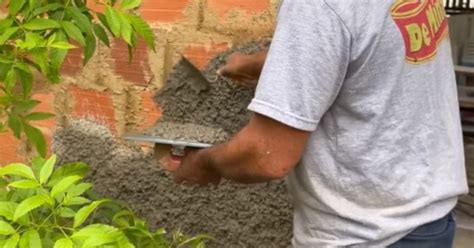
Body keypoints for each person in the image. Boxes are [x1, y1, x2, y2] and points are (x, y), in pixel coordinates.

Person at [166, 0, 469, 247]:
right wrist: (272, 64)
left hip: (367, 234)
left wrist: (204, 164)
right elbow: (366, 43)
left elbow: (266, 157)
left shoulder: (314, 5)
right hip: (426, 218)